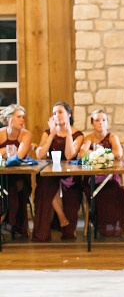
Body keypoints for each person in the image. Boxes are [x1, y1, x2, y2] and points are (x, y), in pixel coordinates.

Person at [33, 102, 85, 241]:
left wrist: (68, 134)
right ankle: (61, 217)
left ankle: (67, 227)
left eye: (60, 112)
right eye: (54, 113)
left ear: (68, 114)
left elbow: (69, 155)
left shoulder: (77, 134)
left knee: (69, 187)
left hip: (69, 172)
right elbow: (40, 155)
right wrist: (51, 134)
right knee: (46, 183)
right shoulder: (47, 132)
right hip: (50, 170)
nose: (57, 115)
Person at [79, 109, 124, 237]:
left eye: (103, 120)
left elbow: (118, 153)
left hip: (110, 175)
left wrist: (97, 154)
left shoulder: (112, 137)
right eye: (97, 120)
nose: (100, 123)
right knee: (96, 190)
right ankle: (100, 225)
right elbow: (81, 153)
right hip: (93, 176)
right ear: (92, 123)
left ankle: (116, 226)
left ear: (107, 123)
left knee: (117, 190)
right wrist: (101, 154)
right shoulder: (89, 138)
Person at [0, 104, 33, 237]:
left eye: (23, 117)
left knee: (11, 190)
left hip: (19, 175)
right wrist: (6, 151)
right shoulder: (1, 133)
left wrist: (3, 152)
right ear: (8, 119)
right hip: (2, 174)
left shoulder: (26, 134)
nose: (22, 120)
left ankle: (7, 222)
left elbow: (18, 156)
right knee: (4, 190)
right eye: (18, 117)